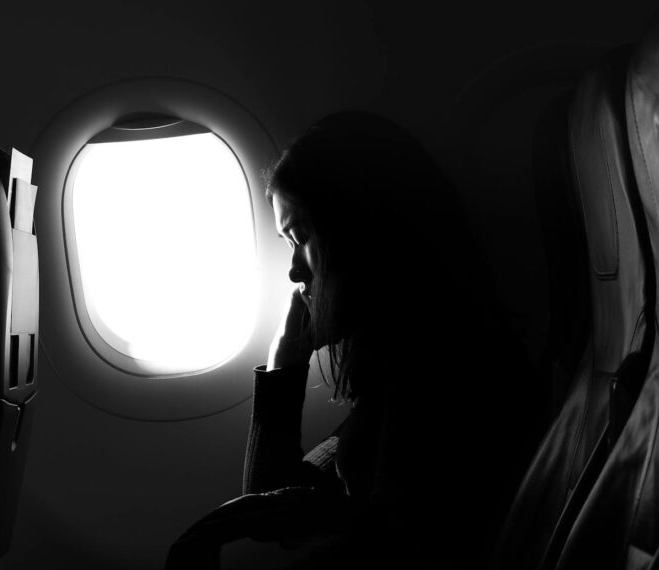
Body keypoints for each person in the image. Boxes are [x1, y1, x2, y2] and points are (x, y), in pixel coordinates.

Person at [167, 111, 540, 570]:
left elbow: (394, 547)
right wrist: (285, 360)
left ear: (359, 232)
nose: (294, 271)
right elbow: (270, 513)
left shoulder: (445, 369)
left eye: (300, 236)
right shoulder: (392, 374)